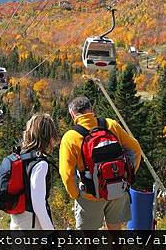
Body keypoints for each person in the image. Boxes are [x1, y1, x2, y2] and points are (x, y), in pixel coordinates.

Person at [59, 96, 142, 230]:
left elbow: (67, 174)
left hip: (90, 195)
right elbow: (135, 149)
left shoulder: (71, 137)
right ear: (91, 109)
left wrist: (76, 195)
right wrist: (126, 177)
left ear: (72, 114)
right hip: (117, 189)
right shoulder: (110, 125)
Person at [9, 113, 58, 230]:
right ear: (47, 136)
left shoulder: (20, 156)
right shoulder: (40, 164)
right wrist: (51, 232)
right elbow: (38, 204)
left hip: (17, 220)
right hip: (31, 224)